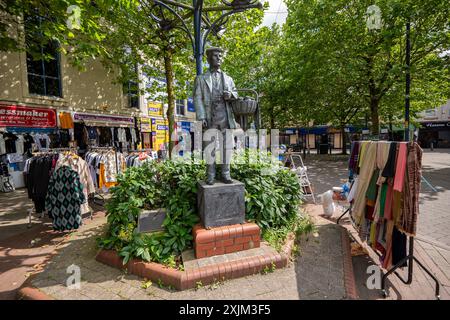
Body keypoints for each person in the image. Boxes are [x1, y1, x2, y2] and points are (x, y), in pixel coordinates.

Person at [193, 47, 239, 185]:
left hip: (226, 117)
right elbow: (197, 98)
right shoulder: (201, 79)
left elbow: (236, 94)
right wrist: (201, 117)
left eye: (220, 55)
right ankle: (210, 175)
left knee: (227, 147)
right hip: (209, 117)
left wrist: (230, 95)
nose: (218, 58)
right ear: (208, 59)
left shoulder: (229, 79)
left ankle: (226, 174)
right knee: (210, 148)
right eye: (215, 55)